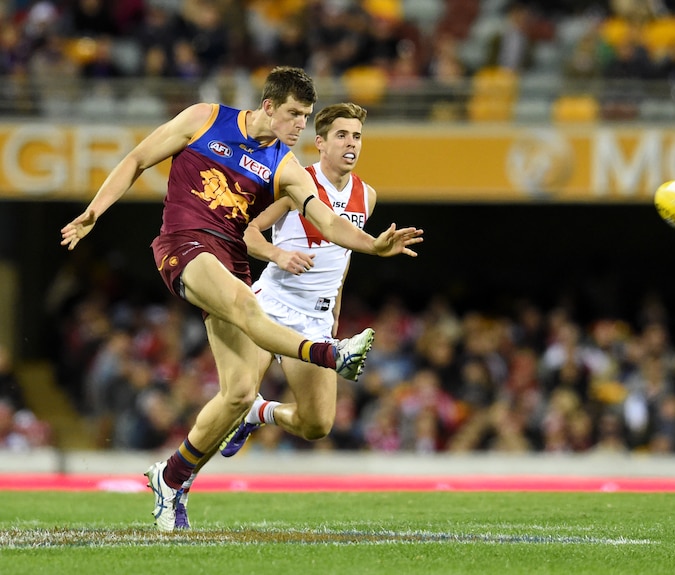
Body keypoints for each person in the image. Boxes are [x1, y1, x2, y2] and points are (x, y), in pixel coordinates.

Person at [60, 67, 423, 531]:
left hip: (231, 262)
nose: (299, 126)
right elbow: (136, 159)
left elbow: (329, 224)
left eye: (306, 116)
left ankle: (170, 479)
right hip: (185, 243)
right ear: (268, 106)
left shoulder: (286, 167)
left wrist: (373, 245)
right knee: (247, 306)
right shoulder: (204, 118)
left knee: (237, 395)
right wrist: (94, 211)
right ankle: (329, 354)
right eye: (294, 114)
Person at [173, 101, 388, 528]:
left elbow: (341, 267)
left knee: (316, 425)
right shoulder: (295, 182)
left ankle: (260, 413)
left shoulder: (367, 195)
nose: (351, 144)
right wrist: (277, 254)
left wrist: (332, 322)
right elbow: (248, 233)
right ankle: (176, 486)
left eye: (357, 136)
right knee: (234, 394)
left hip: (315, 318)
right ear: (321, 143)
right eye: (342, 135)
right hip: (270, 305)